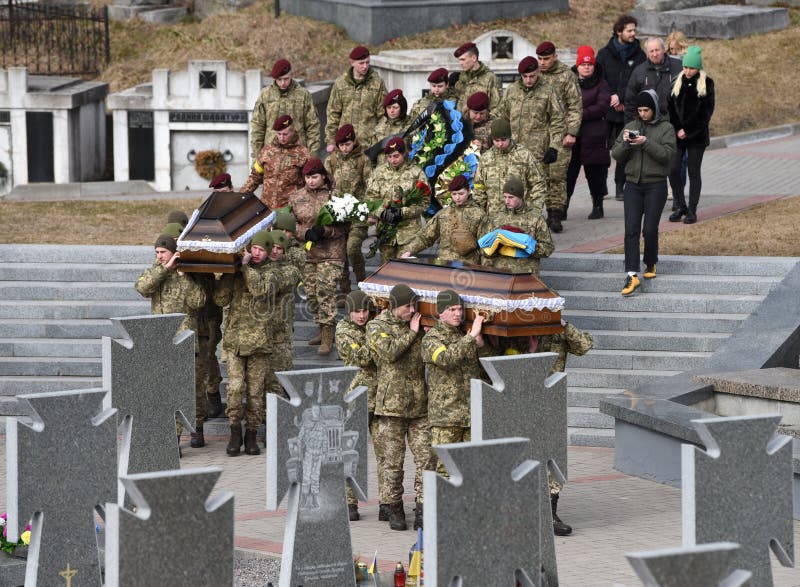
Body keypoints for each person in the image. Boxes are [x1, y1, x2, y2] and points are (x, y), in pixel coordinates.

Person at [214, 231, 295, 456]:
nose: (257, 253)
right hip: (235, 342)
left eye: (261, 250)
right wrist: (230, 273)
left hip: (260, 343)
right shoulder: (239, 271)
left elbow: (261, 289)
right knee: (235, 388)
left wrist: (245, 268)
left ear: (268, 252)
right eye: (254, 248)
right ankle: (234, 433)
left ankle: (251, 435)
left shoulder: (274, 272)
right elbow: (220, 299)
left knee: (256, 392)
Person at [366, 284, 432, 531]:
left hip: (419, 406)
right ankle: (394, 508)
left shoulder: (418, 325)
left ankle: (424, 508)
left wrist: (423, 331)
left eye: (414, 306)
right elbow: (389, 352)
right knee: (392, 463)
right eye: (407, 307)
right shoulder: (376, 326)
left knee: (426, 459)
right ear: (394, 306)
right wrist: (413, 333)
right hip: (391, 407)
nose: (412, 310)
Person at [135, 234, 206, 451]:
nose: (159, 256)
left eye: (162, 253)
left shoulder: (184, 274)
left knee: (187, 391)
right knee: (167, 392)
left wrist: (183, 275)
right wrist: (164, 269)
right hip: (161, 341)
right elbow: (142, 287)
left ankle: (194, 429)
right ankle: (172, 439)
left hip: (183, 341)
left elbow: (199, 301)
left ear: (173, 252)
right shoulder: (156, 272)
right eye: (156, 253)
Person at [612, 90, 676, 295]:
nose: (643, 114)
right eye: (639, 110)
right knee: (631, 229)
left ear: (654, 108)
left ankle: (650, 261)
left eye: (646, 110)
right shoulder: (631, 126)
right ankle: (631, 274)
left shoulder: (666, 128)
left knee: (649, 228)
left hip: (655, 185)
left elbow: (667, 155)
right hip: (632, 185)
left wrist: (646, 143)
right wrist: (625, 143)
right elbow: (616, 155)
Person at [421, 290, 488, 475]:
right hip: (446, 417)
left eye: (460, 309)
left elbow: (486, 369)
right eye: (452, 309)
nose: (458, 313)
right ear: (441, 312)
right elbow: (446, 359)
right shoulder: (432, 338)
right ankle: (442, 505)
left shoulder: (465, 337)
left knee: (470, 470)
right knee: (445, 470)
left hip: (470, 416)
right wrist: (471, 336)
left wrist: (481, 345)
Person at [290, 158, 349, 356]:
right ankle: (321, 327)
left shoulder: (336, 197)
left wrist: (325, 230)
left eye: (314, 177)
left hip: (332, 253)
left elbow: (345, 226)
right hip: (308, 254)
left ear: (323, 176)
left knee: (325, 292)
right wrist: (304, 233)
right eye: (307, 177)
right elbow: (288, 223)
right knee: (311, 294)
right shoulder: (296, 197)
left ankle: (328, 334)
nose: (311, 181)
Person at [494, 57, 563, 222]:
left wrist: (554, 146)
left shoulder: (548, 91)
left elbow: (558, 120)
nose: (528, 80)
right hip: (513, 150)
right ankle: (512, 222)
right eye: (525, 76)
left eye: (532, 76)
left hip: (538, 152)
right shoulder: (511, 91)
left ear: (538, 72)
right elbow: (501, 117)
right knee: (512, 187)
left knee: (535, 189)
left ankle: (533, 223)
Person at [335, 290, 380, 522]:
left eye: (364, 311)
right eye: (356, 311)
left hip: (381, 396)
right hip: (356, 397)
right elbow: (363, 357)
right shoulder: (344, 331)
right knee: (352, 452)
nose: (361, 316)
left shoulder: (374, 325)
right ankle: (350, 502)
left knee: (385, 454)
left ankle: (389, 502)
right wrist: (379, 337)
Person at [596, 14, 647, 200]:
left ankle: (620, 186)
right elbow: (599, 80)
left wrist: (622, 98)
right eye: (629, 30)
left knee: (625, 149)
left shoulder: (640, 55)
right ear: (619, 32)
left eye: (634, 30)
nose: (633, 33)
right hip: (606, 110)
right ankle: (600, 188)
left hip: (627, 110)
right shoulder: (604, 53)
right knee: (601, 151)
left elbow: (639, 80)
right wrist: (612, 98)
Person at [537, 41, 583, 232]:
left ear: (554, 56)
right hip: (538, 135)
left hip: (560, 134)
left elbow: (575, 106)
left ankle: (555, 214)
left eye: (546, 58)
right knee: (539, 176)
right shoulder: (535, 76)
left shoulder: (566, 76)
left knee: (556, 175)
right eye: (539, 59)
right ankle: (540, 213)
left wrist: (572, 132)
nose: (542, 62)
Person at [667, 46, 715, 225]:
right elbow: (670, 109)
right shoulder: (676, 82)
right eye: (685, 67)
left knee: (693, 171)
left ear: (698, 68)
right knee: (672, 169)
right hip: (677, 135)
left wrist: (688, 130)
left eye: (691, 68)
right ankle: (681, 205)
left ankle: (692, 210)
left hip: (697, 136)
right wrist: (678, 128)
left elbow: (706, 113)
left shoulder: (707, 83)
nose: (687, 71)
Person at [566, 46, 612, 220]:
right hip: (573, 135)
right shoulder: (568, 82)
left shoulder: (602, 83)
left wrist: (578, 113)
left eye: (590, 64)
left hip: (595, 135)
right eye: (583, 64)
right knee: (569, 174)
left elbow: (602, 106)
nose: (587, 67)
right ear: (577, 66)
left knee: (595, 173)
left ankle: (598, 205)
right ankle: (562, 207)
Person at [324, 124, 373, 289]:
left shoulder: (363, 160)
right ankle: (345, 290)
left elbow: (370, 187)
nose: (344, 148)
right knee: (340, 251)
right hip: (337, 214)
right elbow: (324, 186)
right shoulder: (331, 161)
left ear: (354, 142)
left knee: (352, 248)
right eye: (341, 145)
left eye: (347, 144)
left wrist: (367, 211)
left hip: (357, 214)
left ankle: (362, 284)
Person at [364, 137, 426, 262]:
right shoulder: (379, 172)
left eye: (396, 156)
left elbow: (424, 202)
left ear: (404, 153)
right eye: (389, 157)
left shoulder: (416, 173)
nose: (393, 160)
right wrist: (382, 212)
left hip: (408, 233)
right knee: (387, 270)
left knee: (406, 270)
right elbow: (370, 197)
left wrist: (402, 212)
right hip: (386, 232)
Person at [400, 174, 485, 264]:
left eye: (461, 193)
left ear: (468, 191)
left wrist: (485, 271)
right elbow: (425, 237)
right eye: (454, 194)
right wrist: (409, 251)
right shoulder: (443, 214)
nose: (457, 197)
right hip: (444, 264)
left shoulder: (479, 215)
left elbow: (486, 247)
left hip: (468, 266)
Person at [479, 176, 554, 276]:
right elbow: (484, 249)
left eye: (511, 197)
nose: (507, 201)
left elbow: (548, 248)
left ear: (520, 197)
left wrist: (525, 246)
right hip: (502, 272)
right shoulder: (496, 217)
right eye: (505, 197)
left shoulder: (536, 218)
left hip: (526, 273)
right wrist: (499, 246)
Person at [472, 118, 546, 216]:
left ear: (510, 137)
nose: (500, 144)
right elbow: (479, 187)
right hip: (494, 216)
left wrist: (534, 210)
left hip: (520, 216)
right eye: (496, 140)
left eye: (503, 140)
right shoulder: (486, 159)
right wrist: (479, 213)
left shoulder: (524, 155)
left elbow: (538, 183)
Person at [249, 59, 321, 159]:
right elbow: (258, 127)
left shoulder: (303, 95)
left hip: (298, 154)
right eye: (279, 79)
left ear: (291, 75)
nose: (283, 83)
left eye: (286, 79)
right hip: (272, 155)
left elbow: (313, 126)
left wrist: (313, 156)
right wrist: (257, 157)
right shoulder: (265, 95)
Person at [261, 229, 302, 404]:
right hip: (261, 333)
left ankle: (276, 422)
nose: (275, 251)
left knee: (278, 381)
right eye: (273, 247)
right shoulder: (260, 268)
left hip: (280, 335)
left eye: (280, 248)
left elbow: (272, 284)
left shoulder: (290, 271)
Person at [325, 45, 388, 154]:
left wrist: (378, 139)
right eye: (361, 63)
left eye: (367, 62)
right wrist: (331, 141)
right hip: (345, 146)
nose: (365, 66)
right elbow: (333, 114)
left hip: (369, 145)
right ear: (352, 62)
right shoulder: (340, 84)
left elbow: (384, 115)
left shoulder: (377, 83)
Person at [240, 114, 310, 210]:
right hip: (266, 206)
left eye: (285, 134)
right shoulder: (267, 150)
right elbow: (255, 177)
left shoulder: (303, 153)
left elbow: (309, 183)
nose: (282, 138)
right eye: (279, 134)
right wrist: (239, 196)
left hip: (290, 208)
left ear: (293, 132)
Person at [624, 37, 682, 123]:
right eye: (651, 51)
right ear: (647, 53)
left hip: (675, 123)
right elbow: (630, 102)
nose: (655, 54)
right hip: (649, 124)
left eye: (657, 50)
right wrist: (630, 128)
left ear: (664, 49)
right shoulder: (639, 71)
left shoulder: (679, 67)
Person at [452, 42, 502, 112]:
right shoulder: (462, 77)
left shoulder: (490, 78)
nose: (460, 63)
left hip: (481, 121)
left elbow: (496, 108)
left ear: (474, 58)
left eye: (463, 59)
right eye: (459, 60)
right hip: (461, 121)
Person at [369, 89, 411, 158]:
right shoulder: (380, 126)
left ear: (402, 107)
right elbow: (371, 155)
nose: (391, 111)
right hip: (381, 168)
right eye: (388, 107)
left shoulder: (410, 125)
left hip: (404, 167)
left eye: (395, 107)